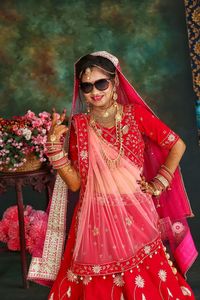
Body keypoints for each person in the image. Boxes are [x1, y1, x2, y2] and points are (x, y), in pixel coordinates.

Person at [28, 51, 197, 299]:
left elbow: (177, 145)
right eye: (87, 86)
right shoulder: (79, 126)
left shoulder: (135, 115)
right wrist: (55, 151)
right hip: (93, 218)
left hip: (136, 213)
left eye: (101, 83)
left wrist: (159, 181)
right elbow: (75, 183)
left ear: (114, 82)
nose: (94, 91)